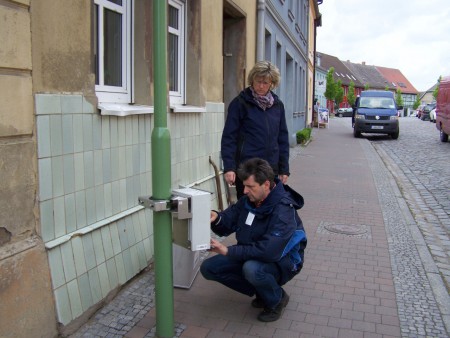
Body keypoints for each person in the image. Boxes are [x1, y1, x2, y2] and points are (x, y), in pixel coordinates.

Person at [200, 158, 307, 322]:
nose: (245, 191)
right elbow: (228, 221)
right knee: (209, 268)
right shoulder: (248, 201)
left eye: (250, 187)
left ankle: (277, 298)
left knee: (252, 270)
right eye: (244, 186)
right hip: (253, 254)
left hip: (284, 261)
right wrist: (216, 218)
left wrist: (228, 250)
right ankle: (263, 290)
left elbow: (269, 251)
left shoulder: (283, 210)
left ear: (266, 185)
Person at [221, 61, 290, 199]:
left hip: (270, 169)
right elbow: (229, 137)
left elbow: (282, 139)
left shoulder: (277, 106)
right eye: (258, 81)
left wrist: (284, 169)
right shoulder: (240, 103)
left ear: (272, 83)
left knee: (269, 208)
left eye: (265, 83)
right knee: (247, 210)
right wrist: (229, 167)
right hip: (247, 169)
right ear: (252, 80)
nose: (261, 86)